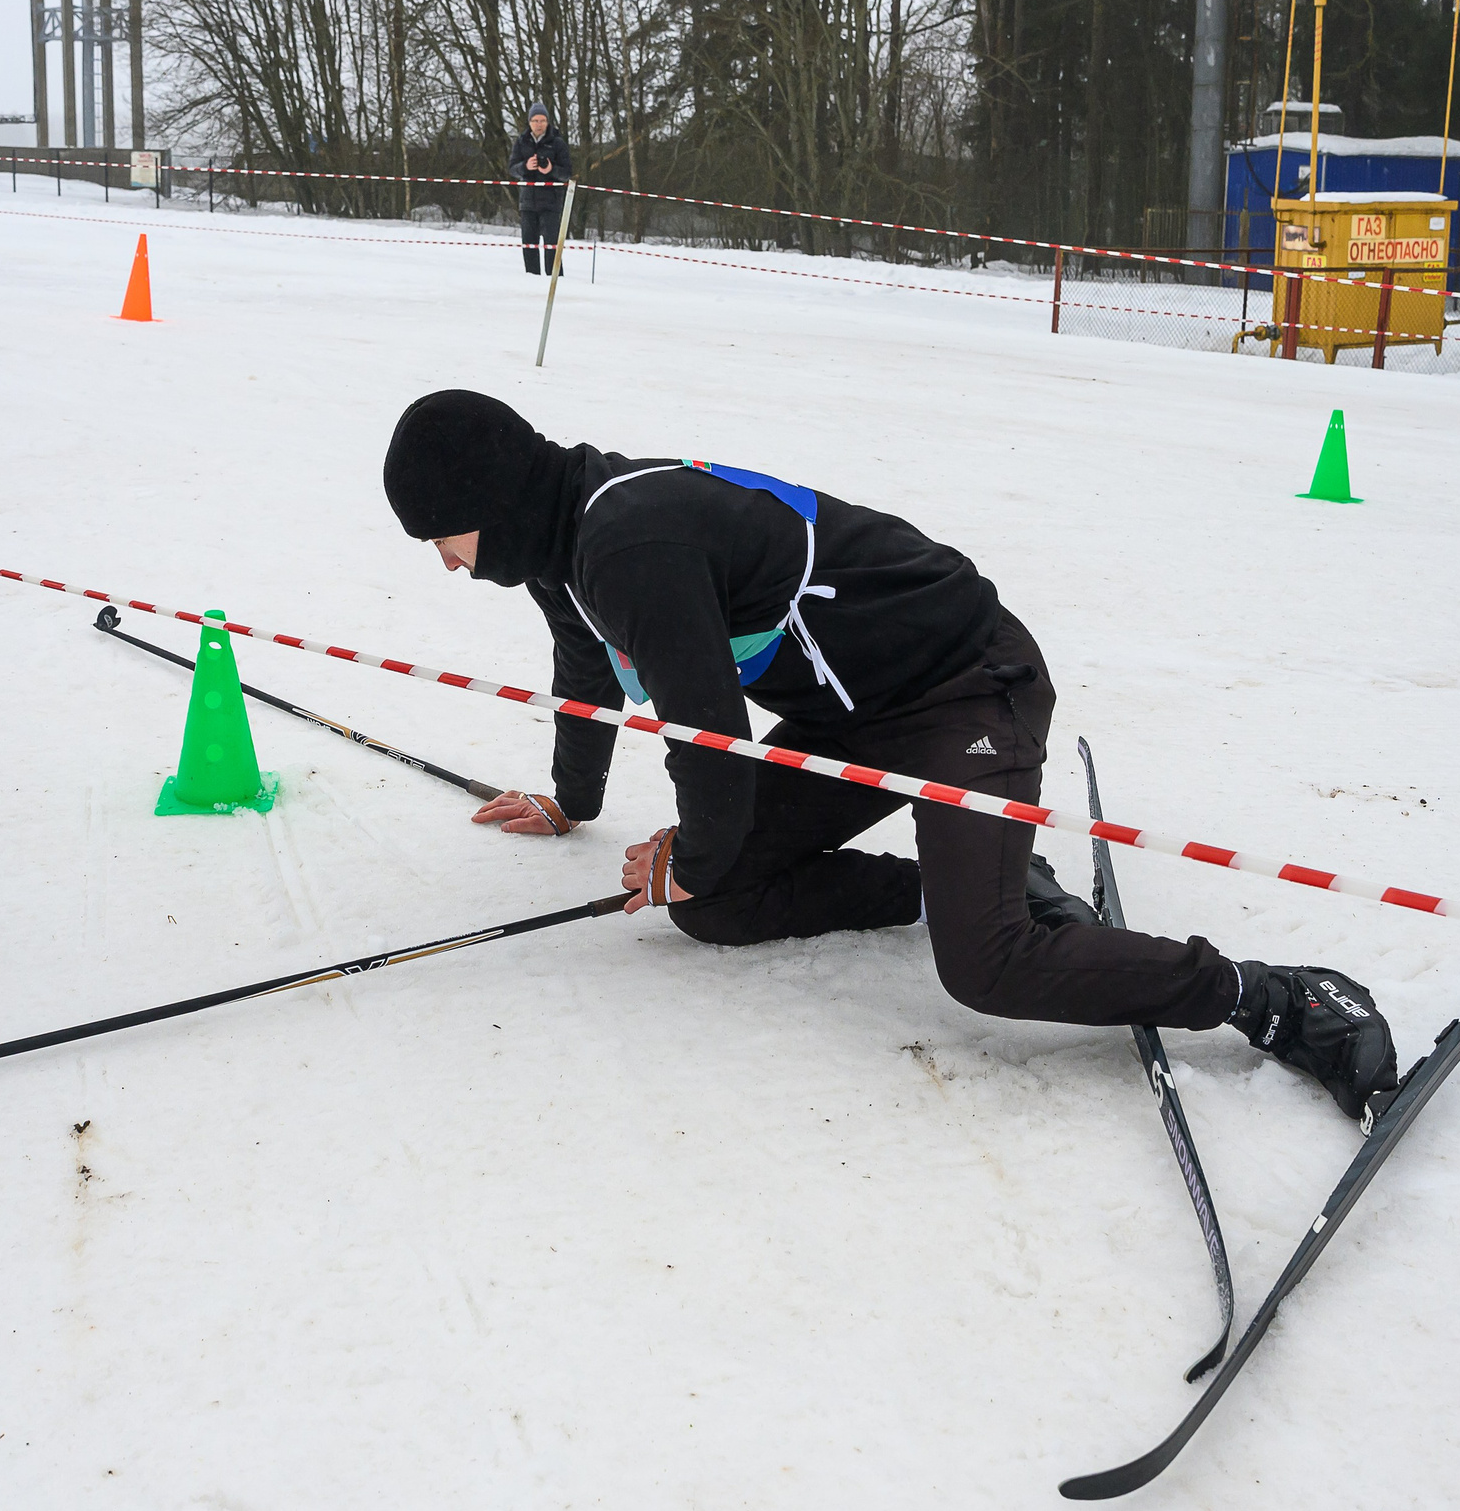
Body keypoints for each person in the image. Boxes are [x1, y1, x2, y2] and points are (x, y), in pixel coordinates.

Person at [381, 391, 1408, 1127]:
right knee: (713, 903)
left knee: (987, 966)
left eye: (441, 536)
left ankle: (1274, 997)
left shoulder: (626, 541)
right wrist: (572, 801)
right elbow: (583, 668)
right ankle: (962, 883)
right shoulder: (565, 542)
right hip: (847, 714)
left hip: (965, 685)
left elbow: (708, 743)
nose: (444, 563)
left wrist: (687, 855)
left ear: (490, 500)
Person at [506, 106, 573, 277]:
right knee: (529, 245)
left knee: (552, 246)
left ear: (547, 122)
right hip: (527, 202)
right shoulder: (521, 142)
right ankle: (531, 279)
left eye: (542, 120)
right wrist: (525, 167)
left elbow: (567, 173)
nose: (539, 124)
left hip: (551, 203)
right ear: (529, 122)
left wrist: (551, 170)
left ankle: (555, 280)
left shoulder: (557, 143)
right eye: (535, 120)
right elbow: (512, 169)